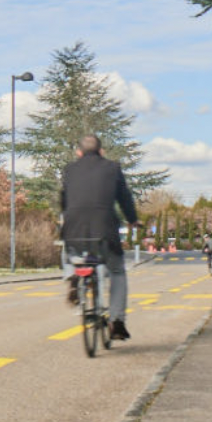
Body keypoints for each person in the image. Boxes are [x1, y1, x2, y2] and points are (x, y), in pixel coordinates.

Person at [60, 134, 139, 341]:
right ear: (101, 152)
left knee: (69, 252)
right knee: (117, 272)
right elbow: (124, 198)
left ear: (79, 153)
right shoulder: (112, 168)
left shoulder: (69, 170)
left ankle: (74, 275)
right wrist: (133, 220)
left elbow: (64, 201)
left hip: (74, 231)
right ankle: (117, 321)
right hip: (105, 232)